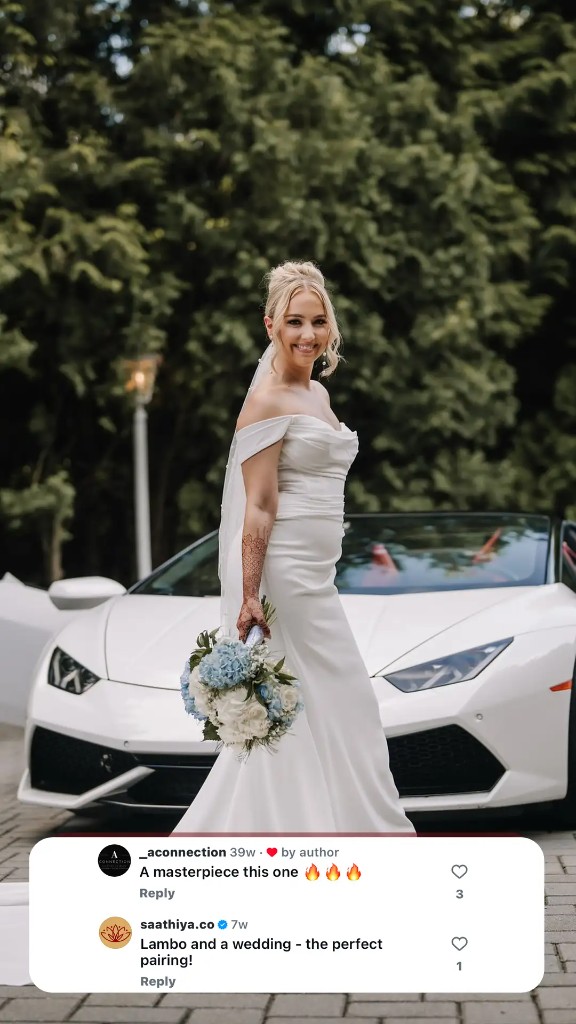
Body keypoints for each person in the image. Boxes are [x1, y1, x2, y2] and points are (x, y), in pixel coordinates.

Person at [172, 260, 415, 835]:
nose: (308, 334)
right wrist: (249, 594)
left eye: (318, 321)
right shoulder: (265, 401)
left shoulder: (319, 395)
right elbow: (258, 506)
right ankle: (336, 829)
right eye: (295, 322)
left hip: (318, 572)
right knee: (345, 697)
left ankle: (322, 825)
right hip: (285, 576)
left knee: (323, 703)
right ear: (271, 326)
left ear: (331, 327)